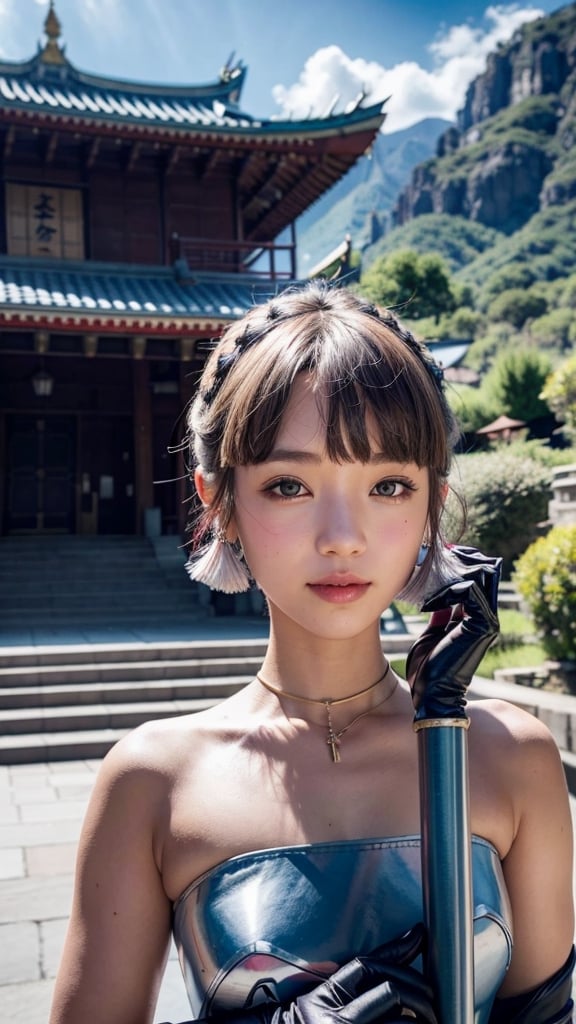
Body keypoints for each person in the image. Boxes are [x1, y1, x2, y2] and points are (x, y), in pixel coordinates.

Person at [49, 282, 574, 1024]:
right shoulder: (152, 783)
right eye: (289, 485)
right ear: (218, 501)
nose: (342, 536)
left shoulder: (509, 756)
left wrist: (444, 713)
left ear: (433, 501)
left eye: (389, 484)